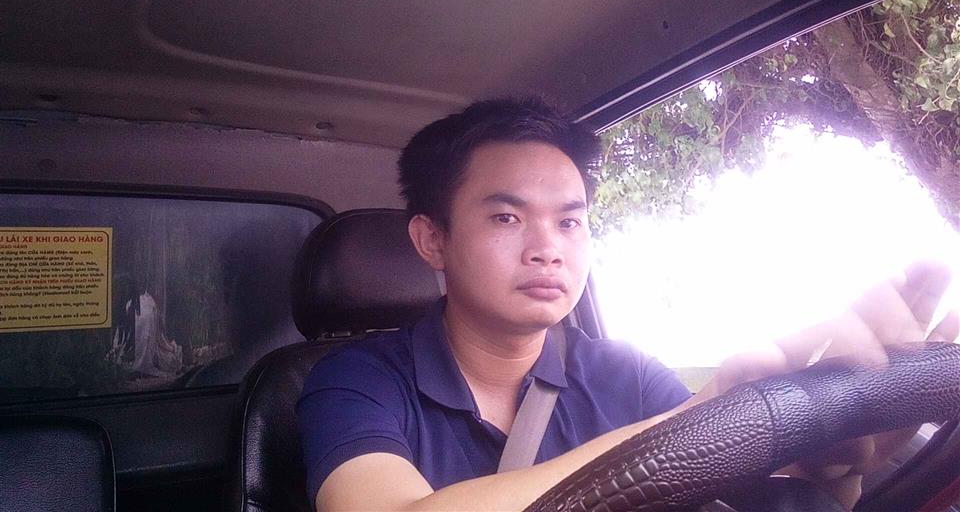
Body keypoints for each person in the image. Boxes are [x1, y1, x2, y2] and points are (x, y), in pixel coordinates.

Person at [297, 96, 959, 511]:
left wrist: (827, 459)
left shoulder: (625, 375)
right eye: (506, 218)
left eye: (570, 221)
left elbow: (744, 486)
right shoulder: (354, 381)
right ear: (432, 239)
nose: (548, 249)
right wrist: (697, 416)